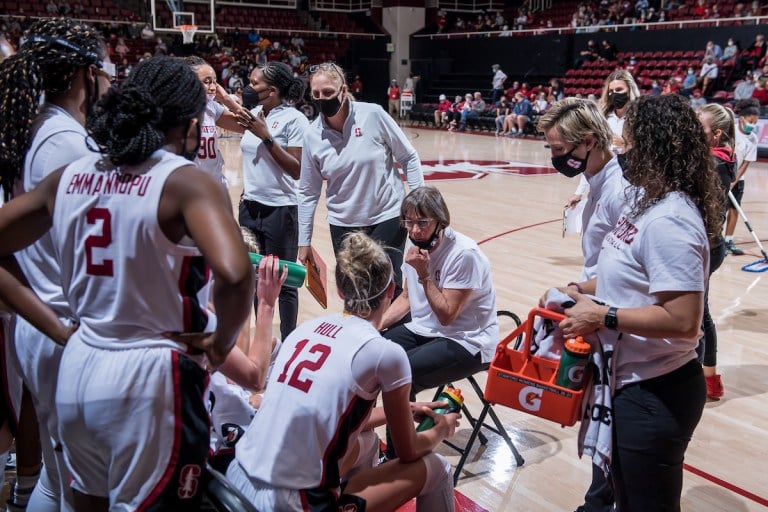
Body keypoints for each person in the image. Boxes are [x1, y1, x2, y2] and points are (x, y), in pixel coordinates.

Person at [0, 55, 254, 510]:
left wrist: (55, 327)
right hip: (150, 377)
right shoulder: (185, 184)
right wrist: (219, 346)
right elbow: (236, 276)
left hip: (79, 367)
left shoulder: (71, 176)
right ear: (188, 123)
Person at [558, 94, 721, 511]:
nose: (621, 151)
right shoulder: (647, 203)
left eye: (628, 143)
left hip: (658, 390)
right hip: (631, 381)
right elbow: (622, 271)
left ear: (654, 147)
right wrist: (580, 290)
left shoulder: (670, 220)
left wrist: (604, 314)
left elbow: (684, 319)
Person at [227, 232, 459, 511]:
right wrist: (440, 431)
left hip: (234, 479)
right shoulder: (385, 353)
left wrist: (405, 408)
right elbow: (408, 450)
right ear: (391, 291)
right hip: (288, 503)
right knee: (436, 467)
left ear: (340, 292)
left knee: (367, 442)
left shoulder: (303, 331)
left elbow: (337, 415)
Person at [0, 17, 116, 511]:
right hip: (60, 324)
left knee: (57, 475)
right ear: (85, 74)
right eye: (108, 68)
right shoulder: (65, 143)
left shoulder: (43, 129)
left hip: (43, 321)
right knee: (79, 486)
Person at [538, 98, 628, 512]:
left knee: (612, 420)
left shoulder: (620, 190)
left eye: (560, 150)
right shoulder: (595, 181)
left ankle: (598, 503)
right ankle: (598, 501)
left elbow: (626, 269)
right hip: (598, 300)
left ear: (588, 142)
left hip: (614, 314)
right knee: (602, 416)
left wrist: (576, 291)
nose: (556, 158)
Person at [298, 62, 423, 294]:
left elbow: (408, 157)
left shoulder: (372, 115)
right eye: (316, 94)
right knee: (355, 292)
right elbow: (307, 192)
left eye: (327, 92)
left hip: (387, 216)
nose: (321, 98)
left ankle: (391, 330)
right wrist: (303, 241)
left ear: (343, 91)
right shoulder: (311, 135)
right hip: (343, 224)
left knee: (386, 288)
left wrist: (418, 204)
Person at [380, 186, 498, 404]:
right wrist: (375, 326)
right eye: (409, 222)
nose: (414, 230)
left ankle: (408, 436)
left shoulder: (464, 254)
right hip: (424, 328)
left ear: (440, 221)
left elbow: (447, 316)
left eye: (422, 223)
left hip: (467, 339)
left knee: (400, 374)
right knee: (370, 355)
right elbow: (406, 297)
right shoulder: (414, 240)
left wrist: (424, 275)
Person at [235, 61, 309, 341]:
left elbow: (296, 169)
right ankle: (262, 339)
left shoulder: (295, 119)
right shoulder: (254, 113)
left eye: (255, 83)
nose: (249, 87)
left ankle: (289, 341)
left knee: (284, 281)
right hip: (250, 208)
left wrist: (265, 136)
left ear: (272, 90)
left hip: (280, 210)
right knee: (254, 277)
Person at [697, 103, 736, 399]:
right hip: (709, 246)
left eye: (701, 124)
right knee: (699, 313)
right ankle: (708, 378)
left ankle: (707, 378)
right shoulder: (715, 158)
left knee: (699, 316)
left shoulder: (714, 163)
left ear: (716, 134)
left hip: (706, 249)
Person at [566, 70, 640, 208]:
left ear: (629, 90)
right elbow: (591, 159)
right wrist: (579, 192)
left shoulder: (640, 117)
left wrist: (626, 145)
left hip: (628, 184)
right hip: (601, 185)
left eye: (619, 89)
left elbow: (647, 156)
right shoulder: (603, 118)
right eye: (611, 91)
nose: (614, 94)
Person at [183, 55, 248, 185]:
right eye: (207, 82)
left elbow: (248, 126)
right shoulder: (174, 109)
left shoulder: (212, 107)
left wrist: (226, 99)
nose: (213, 87)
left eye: (215, 82)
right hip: (187, 187)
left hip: (215, 184)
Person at [724, 99, 760, 255]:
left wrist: (735, 180)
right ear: (742, 118)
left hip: (738, 179)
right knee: (720, 209)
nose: (752, 124)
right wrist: (727, 178)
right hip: (723, 175)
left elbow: (746, 162)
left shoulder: (753, 138)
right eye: (751, 121)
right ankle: (715, 241)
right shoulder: (730, 132)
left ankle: (728, 241)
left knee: (734, 209)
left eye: (756, 122)